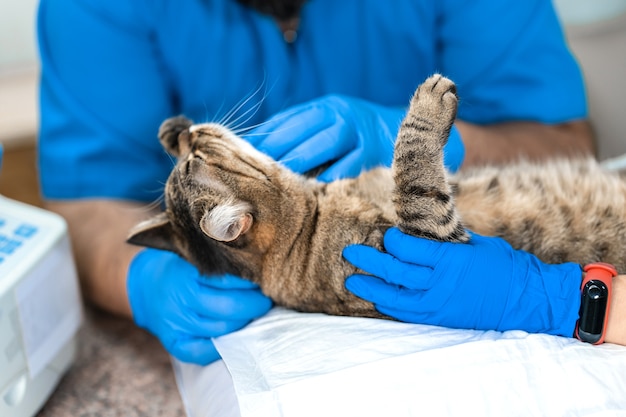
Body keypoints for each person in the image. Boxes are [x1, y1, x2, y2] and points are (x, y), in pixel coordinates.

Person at [37, 0, 602, 366]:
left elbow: (567, 143)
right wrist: (141, 279)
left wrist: (434, 142)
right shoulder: (91, 11)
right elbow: (86, 201)